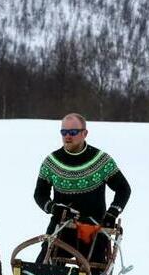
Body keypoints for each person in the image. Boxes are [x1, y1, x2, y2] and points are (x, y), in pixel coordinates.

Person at [33, 113, 131, 266]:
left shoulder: (101, 160)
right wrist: (53, 208)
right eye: (64, 132)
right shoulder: (52, 162)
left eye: (73, 132)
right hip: (61, 227)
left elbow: (123, 189)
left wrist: (112, 213)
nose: (67, 136)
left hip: (93, 229)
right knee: (43, 272)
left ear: (84, 133)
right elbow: (40, 194)